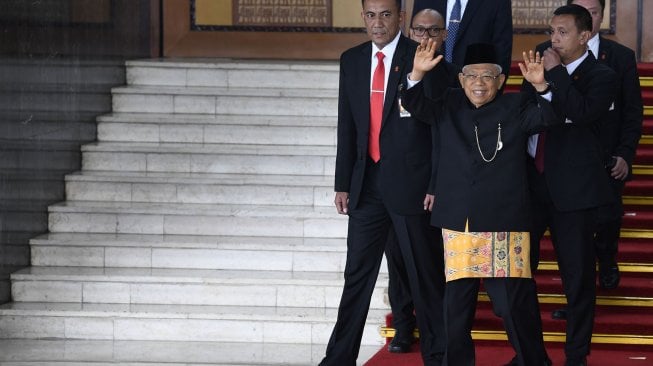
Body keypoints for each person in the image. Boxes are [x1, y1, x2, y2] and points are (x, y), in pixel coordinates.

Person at [402, 40, 557, 366]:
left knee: (513, 304)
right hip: (459, 221)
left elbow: (549, 117)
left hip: (504, 221)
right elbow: (414, 104)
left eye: (488, 77)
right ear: (461, 80)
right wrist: (416, 72)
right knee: (456, 307)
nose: (479, 83)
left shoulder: (515, 107)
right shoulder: (447, 105)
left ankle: (533, 361)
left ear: (501, 82)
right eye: (472, 76)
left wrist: (541, 84)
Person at [319, 0, 446, 365]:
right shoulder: (352, 59)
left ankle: (439, 357)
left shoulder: (424, 55)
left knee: (425, 280)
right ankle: (338, 359)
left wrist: (436, 184)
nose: (378, 23)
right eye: (371, 15)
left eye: (386, 15)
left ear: (401, 18)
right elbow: (348, 125)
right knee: (356, 278)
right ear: (363, 18)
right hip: (366, 188)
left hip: (413, 188)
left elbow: (438, 127)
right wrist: (343, 181)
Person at [522, 4, 617, 366]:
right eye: (552, 31)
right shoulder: (539, 69)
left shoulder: (602, 75)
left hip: (575, 194)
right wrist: (541, 87)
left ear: (584, 35)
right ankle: (530, 353)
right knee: (518, 274)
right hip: (531, 188)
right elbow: (526, 119)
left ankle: (576, 356)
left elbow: (579, 113)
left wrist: (553, 77)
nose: (554, 39)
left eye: (563, 32)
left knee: (577, 280)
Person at [547, 0, 644, 322]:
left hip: (600, 159)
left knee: (603, 224)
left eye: (594, 10)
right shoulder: (547, 55)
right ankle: (574, 300)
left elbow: (631, 111)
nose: (555, 38)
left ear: (596, 21)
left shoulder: (618, 59)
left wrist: (625, 153)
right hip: (555, 168)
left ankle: (608, 260)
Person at [384, 7, 459, 354]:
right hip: (387, 185)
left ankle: (436, 344)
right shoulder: (395, 69)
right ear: (410, 31)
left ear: (444, 36)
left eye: (433, 31)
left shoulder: (450, 76)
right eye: (420, 30)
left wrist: (435, 185)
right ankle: (403, 326)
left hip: (424, 189)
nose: (426, 37)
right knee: (396, 265)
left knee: (426, 271)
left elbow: (442, 138)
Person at [412, 0, 513, 80]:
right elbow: (414, 42)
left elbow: (502, 53)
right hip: (429, 89)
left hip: (476, 92)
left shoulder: (498, 2)